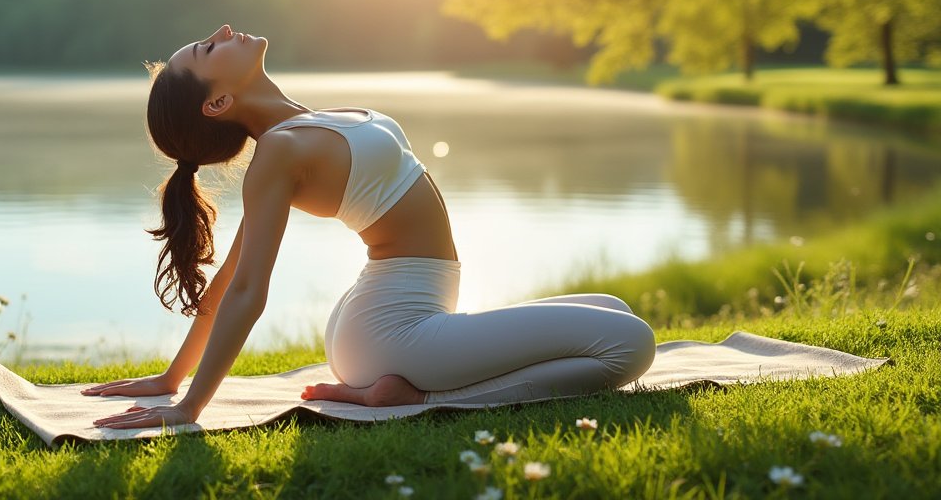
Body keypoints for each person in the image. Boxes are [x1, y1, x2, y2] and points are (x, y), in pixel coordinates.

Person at [82, 25, 656, 429]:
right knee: (632, 347)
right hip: (393, 330)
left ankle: (407, 383)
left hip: (395, 313)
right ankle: (417, 395)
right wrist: (187, 405)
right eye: (208, 48)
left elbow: (228, 273)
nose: (225, 29)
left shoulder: (302, 125)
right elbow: (245, 288)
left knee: (614, 311)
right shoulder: (278, 154)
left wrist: (171, 376)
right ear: (218, 102)